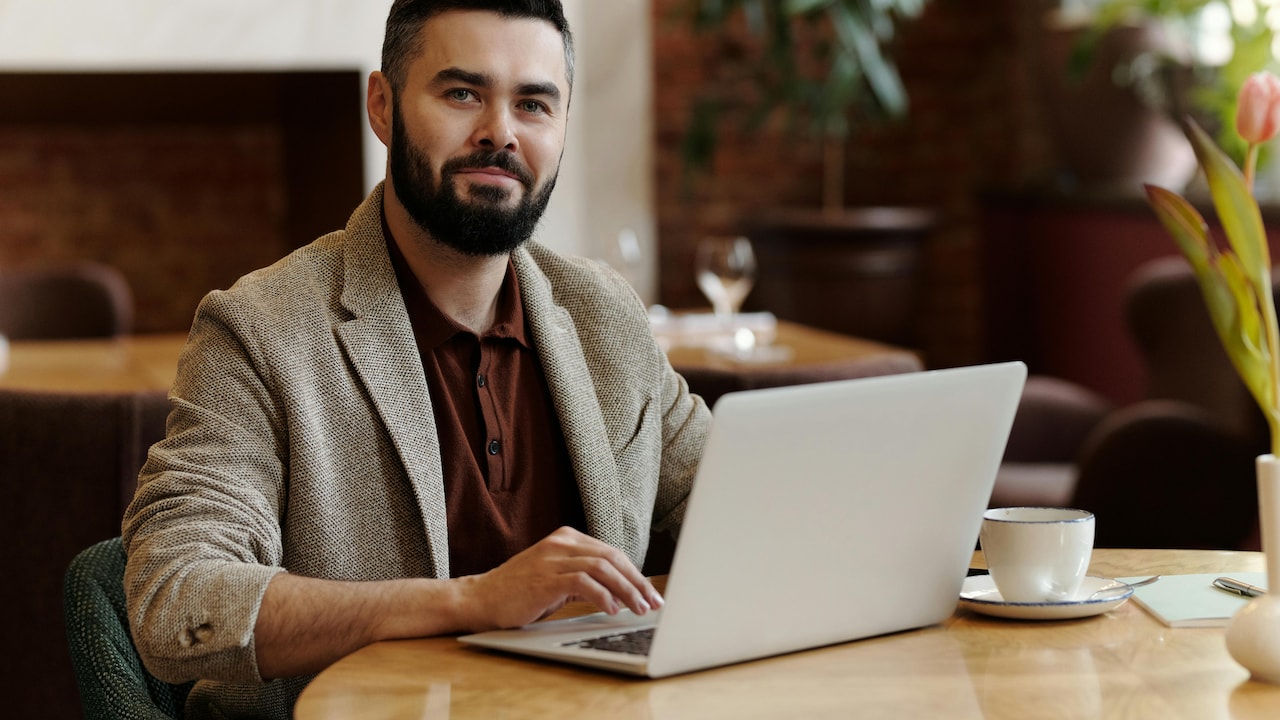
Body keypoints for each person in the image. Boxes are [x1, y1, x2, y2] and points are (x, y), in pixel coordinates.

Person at [121, 1, 710, 716]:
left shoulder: (604, 314)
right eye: (463, 93)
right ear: (382, 105)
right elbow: (175, 599)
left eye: (533, 103)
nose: (500, 132)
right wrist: (468, 602)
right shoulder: (260, 330)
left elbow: (738, 495)